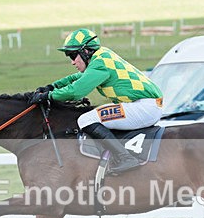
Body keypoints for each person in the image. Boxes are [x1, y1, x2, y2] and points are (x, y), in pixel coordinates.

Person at [30, 28, 163, 175]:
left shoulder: (100, 64)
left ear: (86, 51)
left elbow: (76, 91)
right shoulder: (101, 56)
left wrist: (48, 96)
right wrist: (52, 87)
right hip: (144, 104)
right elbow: (76, 78)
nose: (72, 61)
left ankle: (125, 158)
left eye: (73, 55)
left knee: (86, 119)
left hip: (144, 107)